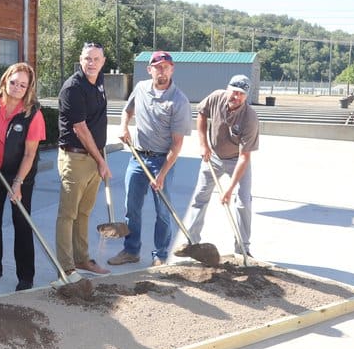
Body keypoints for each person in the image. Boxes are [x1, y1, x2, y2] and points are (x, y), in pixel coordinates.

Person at [107, 51, 192, 268]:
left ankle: (160, 254)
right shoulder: (141, 88)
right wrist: (123, 127)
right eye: (157, 66)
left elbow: (177, 145)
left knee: (162, 211)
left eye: (166, 66)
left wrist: (161, 175)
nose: (161, 70)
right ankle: (131, 250)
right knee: (131, 208)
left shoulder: (179, 101)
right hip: (137, 158)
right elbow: (127, 111)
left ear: (172, 69)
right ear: (150, 69)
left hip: (162, 161)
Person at [0, 62, 46, 291]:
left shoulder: (33, 113)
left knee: (21, 222)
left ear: (28, 88)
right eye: (14, 82)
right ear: (5, 80)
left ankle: (25, 276)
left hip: (20, 173)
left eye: (23, 85)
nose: (17, 87)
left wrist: (18, 183)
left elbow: (30, 153)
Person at [179, 74, 259, 259]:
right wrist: (203, 144)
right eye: (234, 91)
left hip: (237, 160)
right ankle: (191, 242)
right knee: (199, 196)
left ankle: (242, 248)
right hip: (213, 157)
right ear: (227, 89)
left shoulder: (250, 118)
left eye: (241, 94)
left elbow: (244, 157)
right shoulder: (216, 97)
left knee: (243, 201)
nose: (236, 96)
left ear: (246, 96)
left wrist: (229, 190)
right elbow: (201, 114)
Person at [55, 42, 112, 276]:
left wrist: (100, 156)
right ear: (80, 59)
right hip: (76, 158)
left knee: (84, 212)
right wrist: (101, 161)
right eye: (87, 58)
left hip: (95, 156)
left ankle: (82, 259)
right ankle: (65, 267)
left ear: (103, 61)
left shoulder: (98, 82)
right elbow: (80, 129)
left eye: (96, 59)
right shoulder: (73, 88)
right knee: (68, 214)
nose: (91, 63)